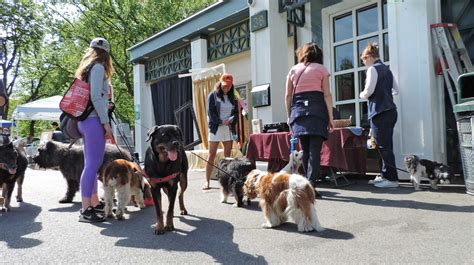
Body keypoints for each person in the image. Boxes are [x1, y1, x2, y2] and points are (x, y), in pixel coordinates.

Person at [285, 43, 334, 193]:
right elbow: (327, 95)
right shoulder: (321, 70)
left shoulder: (293, 69)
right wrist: (330, 117)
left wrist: (289, 116)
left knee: (305, 151)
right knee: (315, 151)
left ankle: (306, 184)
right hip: (317, 112)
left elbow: (288, 96)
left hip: (298, 113)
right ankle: (311, 185)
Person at [76, 37, 114, 222]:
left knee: (90, 164)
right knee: (92, 165)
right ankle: (85, 209)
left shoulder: (86, 69)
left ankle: (93, 202)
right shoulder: (98, 68)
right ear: (106, 53)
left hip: (85, 120)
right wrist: (106, 123)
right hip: (93, 121)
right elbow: (96, 98)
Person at [359, 42, 400, 188]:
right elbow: (396, 90)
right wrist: (385, 94)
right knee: (386, 145)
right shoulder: (387, 70)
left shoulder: (372, 70)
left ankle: (391, 179)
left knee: (383, 146)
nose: (364, 63)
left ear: (369, 56)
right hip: (390, 111)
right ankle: (385, 175)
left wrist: (362, 94)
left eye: (363, 60)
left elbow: (368, 91)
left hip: (379, 112)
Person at [204, 73, 239, 190]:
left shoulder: (233, 97)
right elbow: (211, 112)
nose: (226, 88)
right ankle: (207, 181)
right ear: (219, 84)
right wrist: (220, 121)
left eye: (228, 86)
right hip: (215, 128)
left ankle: (226, 181)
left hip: (228, 128)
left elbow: (236, 113)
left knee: (227, 156)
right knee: (211, 154)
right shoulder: (212, 96)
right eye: (224, 86)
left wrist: (232, 120)